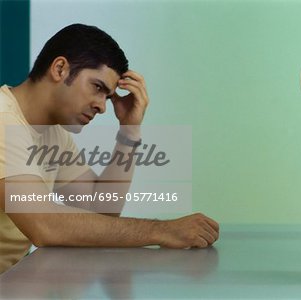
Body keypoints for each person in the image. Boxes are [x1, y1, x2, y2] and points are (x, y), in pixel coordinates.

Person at [0, 24, 219, 274]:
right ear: (60, 68)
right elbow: (44, 224)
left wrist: (129, 130)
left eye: (108, 96)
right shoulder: (3, 118)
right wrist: (163, 231)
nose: (102, 107)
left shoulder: (52, 133)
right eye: (97, 87)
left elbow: (100, 207)